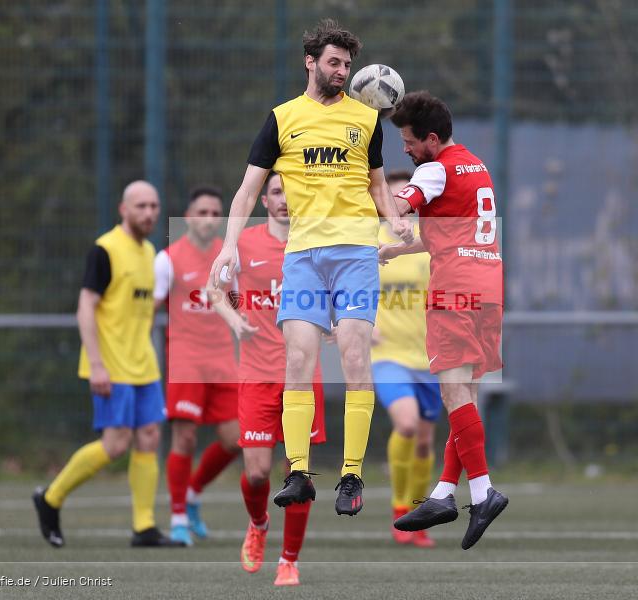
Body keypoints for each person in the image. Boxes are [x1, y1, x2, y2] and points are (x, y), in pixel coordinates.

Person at [209, 18, 413, 517]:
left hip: (355, 254)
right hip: (302, 257)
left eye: (347, 64)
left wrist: (395, 222)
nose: (342, 71)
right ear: (311, 62)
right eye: (334, 62)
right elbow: (247, 190)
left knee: (354, 359)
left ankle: (350, 476)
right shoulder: (282, 119)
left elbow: (377, 185)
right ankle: (298, 473)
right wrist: (228, 246)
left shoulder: (365, 121)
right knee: (297, 361)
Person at [381, 91, 509, 549]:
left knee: (454, 396)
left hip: (454, 291)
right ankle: (442, 492)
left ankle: (482, 491)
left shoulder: (433, 168)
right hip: (488, 290)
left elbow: (401, 203)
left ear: (431, 139)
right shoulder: (476, 166)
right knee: (466, 401)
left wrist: (376, 196)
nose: (406, 150)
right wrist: (400, 248)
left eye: (410, 142)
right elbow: (453, 231)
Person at [33, 181, 181, 548]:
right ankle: (50, 498)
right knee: (115, 445)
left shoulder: (149, 252)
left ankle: (144, 527)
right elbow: (86, 307)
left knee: (149, 437)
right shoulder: (105, 250)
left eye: (154, 206)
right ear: (123, 209)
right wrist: (97, 364)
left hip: (143, 365)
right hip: (111, 365)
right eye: (141, 206)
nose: (149, 213)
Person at [209, 172, 326, 586]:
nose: (284, 199)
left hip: (302, 375)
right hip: (256, 375)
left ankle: (289, 560)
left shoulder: (318, 244)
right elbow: (214, 291)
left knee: (300, 472)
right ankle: (258, 524)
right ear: (264, 200)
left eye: (291, 192)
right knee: (257, 473)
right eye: (276, 191)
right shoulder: (242, 244)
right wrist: (234, 320)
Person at [154, 186, 241, 546]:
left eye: (215, 213)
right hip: (186, 359)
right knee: (185, 437)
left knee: (237, 438)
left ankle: (192, 493)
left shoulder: (228, 259)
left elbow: (237, 304)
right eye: (202, 212)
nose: (209, 219)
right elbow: (152, 309)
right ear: (189, 217)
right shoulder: (168, 258)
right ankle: (177, 517)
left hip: (222, 358)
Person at [373, 170, 441, 548]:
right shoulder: (369, 242)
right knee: (408, 424)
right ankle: (400, 510)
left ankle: (417, 514)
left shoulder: (427, 246)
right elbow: (342, 288)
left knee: (424, 442)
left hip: (428, 357)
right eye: (395, 200)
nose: (401, 207)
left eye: (408, 201)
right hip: (387, 355)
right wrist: (360, 323)